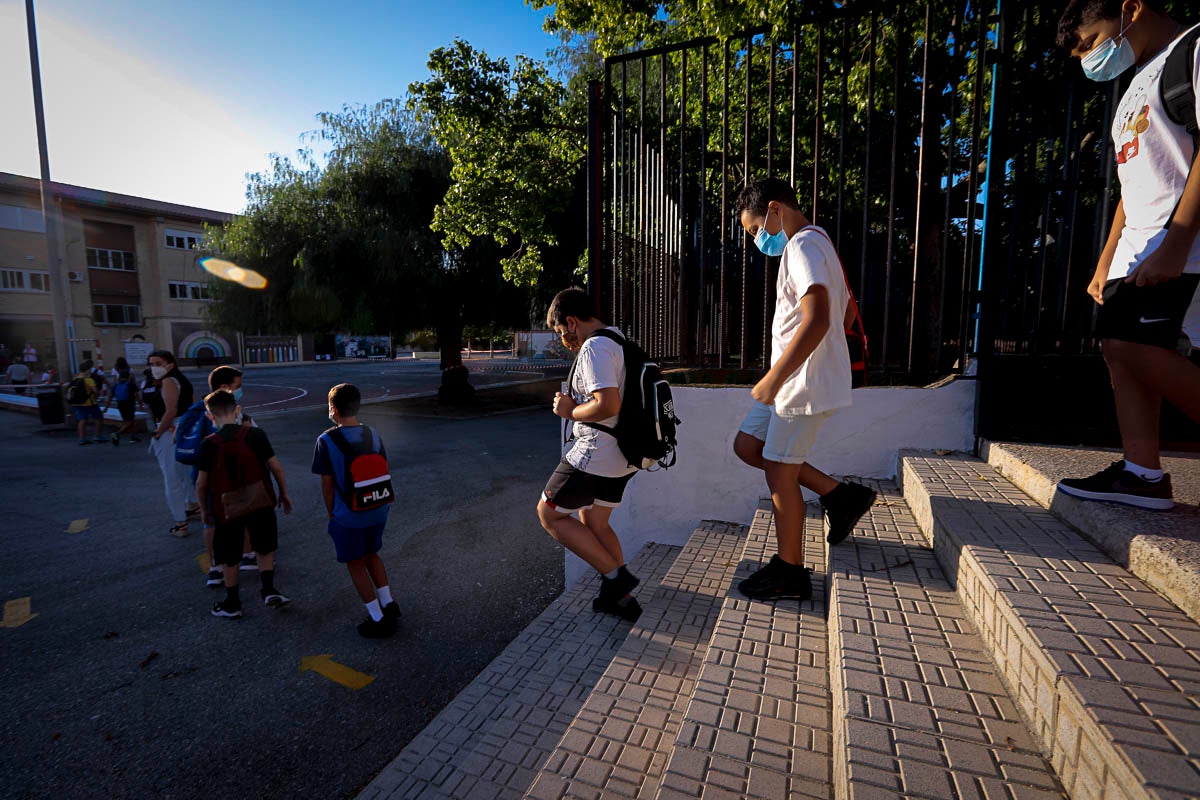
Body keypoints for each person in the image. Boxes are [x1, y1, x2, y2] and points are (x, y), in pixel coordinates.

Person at [1055, 0, 1200, 510]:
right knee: (1118, 349)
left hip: (1179, 242)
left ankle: (1144, 474)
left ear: (1130, 10)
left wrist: (1179, 240)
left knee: (1136, 347)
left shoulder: (1195, 48)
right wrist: (1107, 258)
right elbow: (1131, 179)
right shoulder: (1139, 80)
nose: (1091, 59)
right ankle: (1143, 475)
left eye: (1092, 42)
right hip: (1139, 246)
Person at [730, 178, 878, 602]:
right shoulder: (816, 243)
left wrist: (777, 377)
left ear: (776, 209)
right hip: (794, 380)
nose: (758, 239)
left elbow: (818, 319)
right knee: (747, 445)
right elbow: (846, 309)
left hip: (800, 384)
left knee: (779, 471)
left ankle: (790, 571)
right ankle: (840, 495)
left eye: (756, 228)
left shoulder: (802, 246)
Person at [535, 288, 644, 623]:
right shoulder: (619, 340)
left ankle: (616, 578)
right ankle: (621, 599)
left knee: (549, 515)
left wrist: (570, 410)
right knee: (594, 522)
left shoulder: (596, 347)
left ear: (571, 322)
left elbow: (607, 404)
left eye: (560, 332)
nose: (563, 340)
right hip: (624, 455)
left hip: (596, 452)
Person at [311, 383, 400, 638]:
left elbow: (327, 485)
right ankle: (389, 602)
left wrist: (331, 513)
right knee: (372, 553)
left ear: (333, 409)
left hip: (349, 514)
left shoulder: (326, 440)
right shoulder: (372, 433)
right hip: (378, 508)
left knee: (355, 563)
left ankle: (376, 617)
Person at [195, 390, 292, 619]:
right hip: (260, 501)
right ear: (237, 410)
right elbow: (276, 467)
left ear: (210, 416)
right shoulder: (255, 434)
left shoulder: (208, 444)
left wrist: (204, 509)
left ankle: (232, 601)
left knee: (230, 555)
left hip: (226, 508)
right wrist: (283, 493)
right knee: (264, 546)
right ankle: (269, 590)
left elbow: (201, 483)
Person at [199, 366, 257, 588]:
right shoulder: (230, 415)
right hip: (233, 480)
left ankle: (217, 567)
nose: (240, 389)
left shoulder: (201, 409)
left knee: (214, 523)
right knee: (236, 519)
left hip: (211, 480)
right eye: (238, 386)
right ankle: (242, 557)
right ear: (225, 387)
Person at [147, 350, 199, 536]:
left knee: (171, 478)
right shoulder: (183, 380)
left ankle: (180, 523)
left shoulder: (169, 381)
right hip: (184, 430)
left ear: (170, 364)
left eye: (158, 363)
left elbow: (170, 411)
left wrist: (158, 432)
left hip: (170, 431)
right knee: (186, 473)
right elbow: (192, 406)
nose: (154, 367)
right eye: (151, 363)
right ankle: (192, 504)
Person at [67, 359, 104, 445]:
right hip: (90, 403)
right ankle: (98, 436)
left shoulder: (75, 378)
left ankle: (81, 438)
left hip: (78, 403)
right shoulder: (88, 380)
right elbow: (96, 391)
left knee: (82, 420)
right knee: (98, 418)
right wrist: (97, 393)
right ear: (88, 370)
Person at [104, 358, 139, 445]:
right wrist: (140, 403)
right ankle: (117, 433)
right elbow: (136, 395)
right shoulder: (130, 383)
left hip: (120, 403)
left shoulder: (116, 383)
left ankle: (133, 436)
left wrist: (106, 407)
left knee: (127, 420)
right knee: (130, 420)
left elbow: (110, 396)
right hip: (129, 403)